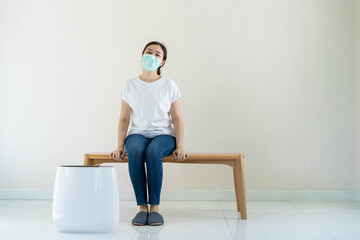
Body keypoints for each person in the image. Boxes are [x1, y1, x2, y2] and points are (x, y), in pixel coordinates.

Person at [110, 41, 189, 226]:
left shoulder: (169, 84)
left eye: (157, 55)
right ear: (142, 56)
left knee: (153, 152)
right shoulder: (130, 85)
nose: (152, 56)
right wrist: (119, 146)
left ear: (162, 62)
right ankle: (142, 208)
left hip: (164, 135)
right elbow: (124, 119)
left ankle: (155, 208)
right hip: (137, 133)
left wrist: (181, 146)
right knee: (136, 149)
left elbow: (177, 118)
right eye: (149, 52)